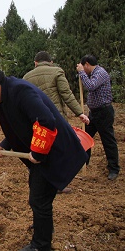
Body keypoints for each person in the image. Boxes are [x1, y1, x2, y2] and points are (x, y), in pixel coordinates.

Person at [0, 63, 88, 251]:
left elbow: (45, 121)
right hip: (44, 152)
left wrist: (38, 152)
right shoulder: (4, 97)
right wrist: (5, 143)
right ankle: (42, 227)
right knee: (37, 192)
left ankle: (41, 245)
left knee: (39, 198)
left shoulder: (21, 92)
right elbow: (20, 123)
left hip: (54, 150)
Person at [23, 51, 90, 193]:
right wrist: (80, 113)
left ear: (35, 63)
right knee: (59, 150)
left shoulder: (26, 77)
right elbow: (66, 94)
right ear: (50, 62)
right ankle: (58, 183)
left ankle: (41, 182)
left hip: (35, 121)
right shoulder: (57, 71)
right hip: (55, 118)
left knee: (40, 149)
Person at [76, 54, 120, 181]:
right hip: (93, 113)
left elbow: (91, 86)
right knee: (85, 138)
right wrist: (81, 74)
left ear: (87, 64)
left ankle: (114, 169)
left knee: (108, 140)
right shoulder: (91, 74)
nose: (83, 70)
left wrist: (81, 73)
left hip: (104, 112)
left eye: (84, 67)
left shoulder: (100, 72)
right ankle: (83, 163)